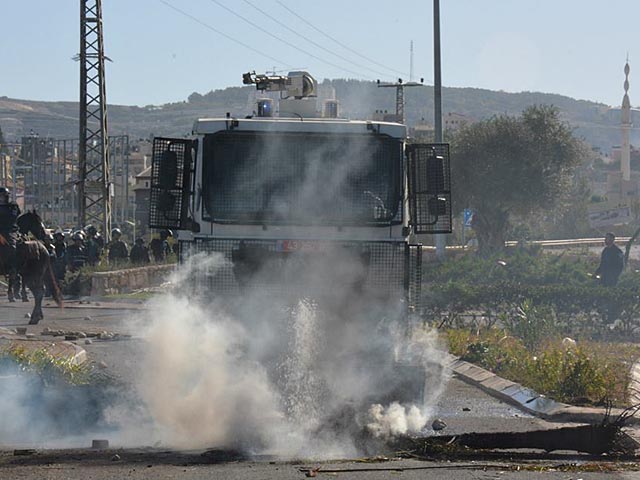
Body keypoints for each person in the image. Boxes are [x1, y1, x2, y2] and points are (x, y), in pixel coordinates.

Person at [0, 187, 21, 274]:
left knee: (11, 246)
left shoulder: (13, 206)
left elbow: (12, 217)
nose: (3, 197)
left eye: (4, 196)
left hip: (9, 230)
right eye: (1, 196)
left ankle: (12, 268)